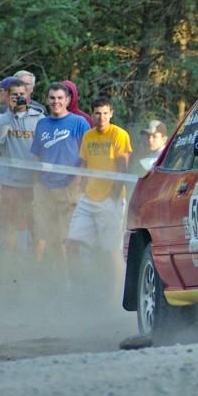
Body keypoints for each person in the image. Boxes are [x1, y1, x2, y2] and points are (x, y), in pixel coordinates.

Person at [67, 96, 132, 292]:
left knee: (112, 251)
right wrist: (79, 192)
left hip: (110, 199)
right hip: (88, 198)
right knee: (72, 244)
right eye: (97, 113)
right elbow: (84, 166)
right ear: (92, 114)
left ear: (111, 114)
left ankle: (117, 297)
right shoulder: (88, 136)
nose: (101, 117)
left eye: (105, 113)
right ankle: (79, 289)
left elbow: (123, 167)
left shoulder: (119, 135)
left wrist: (113, 198)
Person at [29, 82, 90, 264]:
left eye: (60, 98)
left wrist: (80, 183)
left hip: (69, 186)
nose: (56, 102)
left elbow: (87, 157)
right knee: (43, 234)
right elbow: (36, 155)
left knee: (68, 237)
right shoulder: (42, 124)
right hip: (44, 186)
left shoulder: (79, 123)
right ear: (47, 100)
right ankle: (42, 273)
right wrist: (36, 183)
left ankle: (70, 279)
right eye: (52, 98)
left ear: (68, 100)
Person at [0, 79, 44, 252]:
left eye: (22, 95)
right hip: (9, 181)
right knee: (8, 225)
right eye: (15, 95)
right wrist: (10, 114)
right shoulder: (3, 118)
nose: (19, 98)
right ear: (9, 97)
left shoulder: (40, 118)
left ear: (28, 96)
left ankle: (34, 266)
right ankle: (10, 263)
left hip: (33, 182)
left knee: (34, 226)